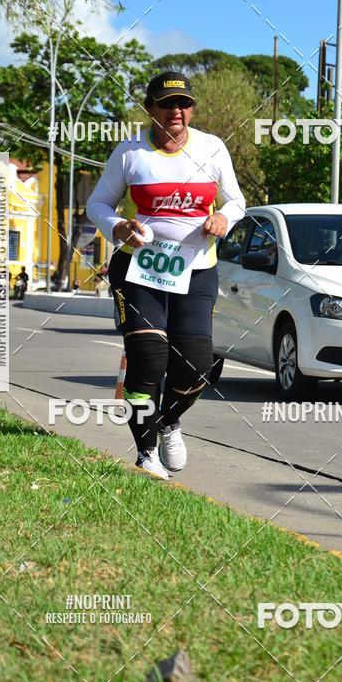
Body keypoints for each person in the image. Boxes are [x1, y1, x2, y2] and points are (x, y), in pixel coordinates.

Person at [87, 71, 246, 479]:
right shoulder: (130, 152)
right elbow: (97, 204)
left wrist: (223, 219)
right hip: (138, 270)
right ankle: (146, 452)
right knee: (148, 358)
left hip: (196, 271)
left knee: (195, 367)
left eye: (184, 103)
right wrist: (117, 227)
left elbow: (236, 202)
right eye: (167, 103)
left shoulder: (212, 148)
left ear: (192, 109)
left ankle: (169, 421)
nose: (176, 110)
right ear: (150, 108)